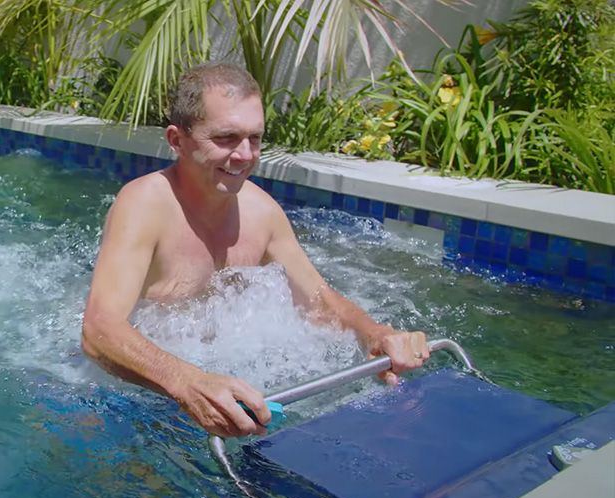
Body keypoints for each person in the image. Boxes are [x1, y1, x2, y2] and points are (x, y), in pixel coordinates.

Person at [81, 63, 429, 438]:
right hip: (135, 399)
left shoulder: (261, 212)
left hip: (217, 386)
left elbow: (318, 301)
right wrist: (188, 383)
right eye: (226, 138)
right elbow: (99, 329)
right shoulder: (145, 204)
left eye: (255, 138)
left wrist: (376, 335)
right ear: (176, 140)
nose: (246, 155)